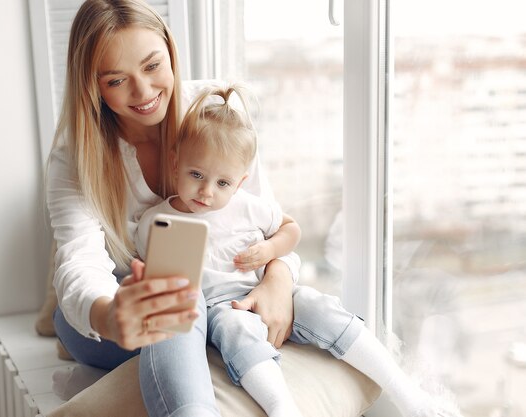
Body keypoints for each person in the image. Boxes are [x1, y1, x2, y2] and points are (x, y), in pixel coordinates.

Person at [135, 84, 463, 417]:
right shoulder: (156, 220)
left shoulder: (248, 207)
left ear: (240, 181)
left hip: (272, 290)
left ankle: (407, 395)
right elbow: (154, 277)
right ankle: (283, 408)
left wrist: (268, 251)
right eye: (196, 175)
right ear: (175, 162)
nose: (206, 192)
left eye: (223, 183)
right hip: (222, 306)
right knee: (238, 329)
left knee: (320, 307)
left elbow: (291, 229)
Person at [45, 1, 299, 416]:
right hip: (110, 312)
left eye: (151, 66)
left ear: (170, 51)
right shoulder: (74, 157)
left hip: (214, 299)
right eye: (116, 80)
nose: (143, 93)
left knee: (193, 298)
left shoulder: (212, 112)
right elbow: (78, 265)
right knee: (181, 294)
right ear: (92, 86)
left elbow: (264, 222)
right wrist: (112, 317)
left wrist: (279, 279)